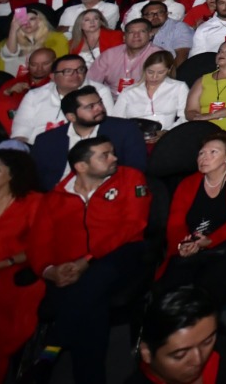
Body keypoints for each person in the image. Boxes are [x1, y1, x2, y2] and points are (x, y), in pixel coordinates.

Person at [28, 136, 150, 384]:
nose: (114, 158)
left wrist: (88, 259)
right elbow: (38, 242)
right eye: (104, 155)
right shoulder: (55, 197)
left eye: (112, 152)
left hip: (122, 255)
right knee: (91, 303)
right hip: (71, 268)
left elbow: (133, 225)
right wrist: (49, 270)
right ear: (81, 167)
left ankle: (50, 350)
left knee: (93, 280)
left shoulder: (130, 179)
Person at [153, 130, 226, 306]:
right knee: (171, 289)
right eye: (201, 153)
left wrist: (210, 240)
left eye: (213, 152)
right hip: (192, 242)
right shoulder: (188, 183)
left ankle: (204, 330)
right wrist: (182, 244)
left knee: (207, 287)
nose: (204, 157)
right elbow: (175, 222)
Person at [0, 149, 44, 384]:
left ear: (13, 175)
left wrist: (0, 263)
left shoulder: (33, 202)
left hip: (14, 270)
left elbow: (41, 246)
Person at [31, 83, 150, 193]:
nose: (99, 108)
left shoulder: (125, 130)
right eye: (90, 107)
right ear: (71, 117)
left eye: (100, 103)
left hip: (109, 194)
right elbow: (38, 179)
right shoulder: (47, 140)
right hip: (60, 198)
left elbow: (135, 170)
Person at [11, 52, 115, 145]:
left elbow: (107, 126)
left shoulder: (100, 91)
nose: (75, 75)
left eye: (80, 70)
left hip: (82, 147)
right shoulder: (35, 95)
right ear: (52, 76)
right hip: (37, 147)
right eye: (67, 71)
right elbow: (21, 128)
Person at [112, 49, 189, 130]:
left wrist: (167, 132)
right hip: (134, 135)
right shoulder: (129, 91)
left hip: (167, 135)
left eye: (160, 72)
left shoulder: (179, 87)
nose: (154, 77)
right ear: (145, 69)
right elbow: (116, 120)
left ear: (169, 70)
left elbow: (185, 118)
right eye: (150, 72)